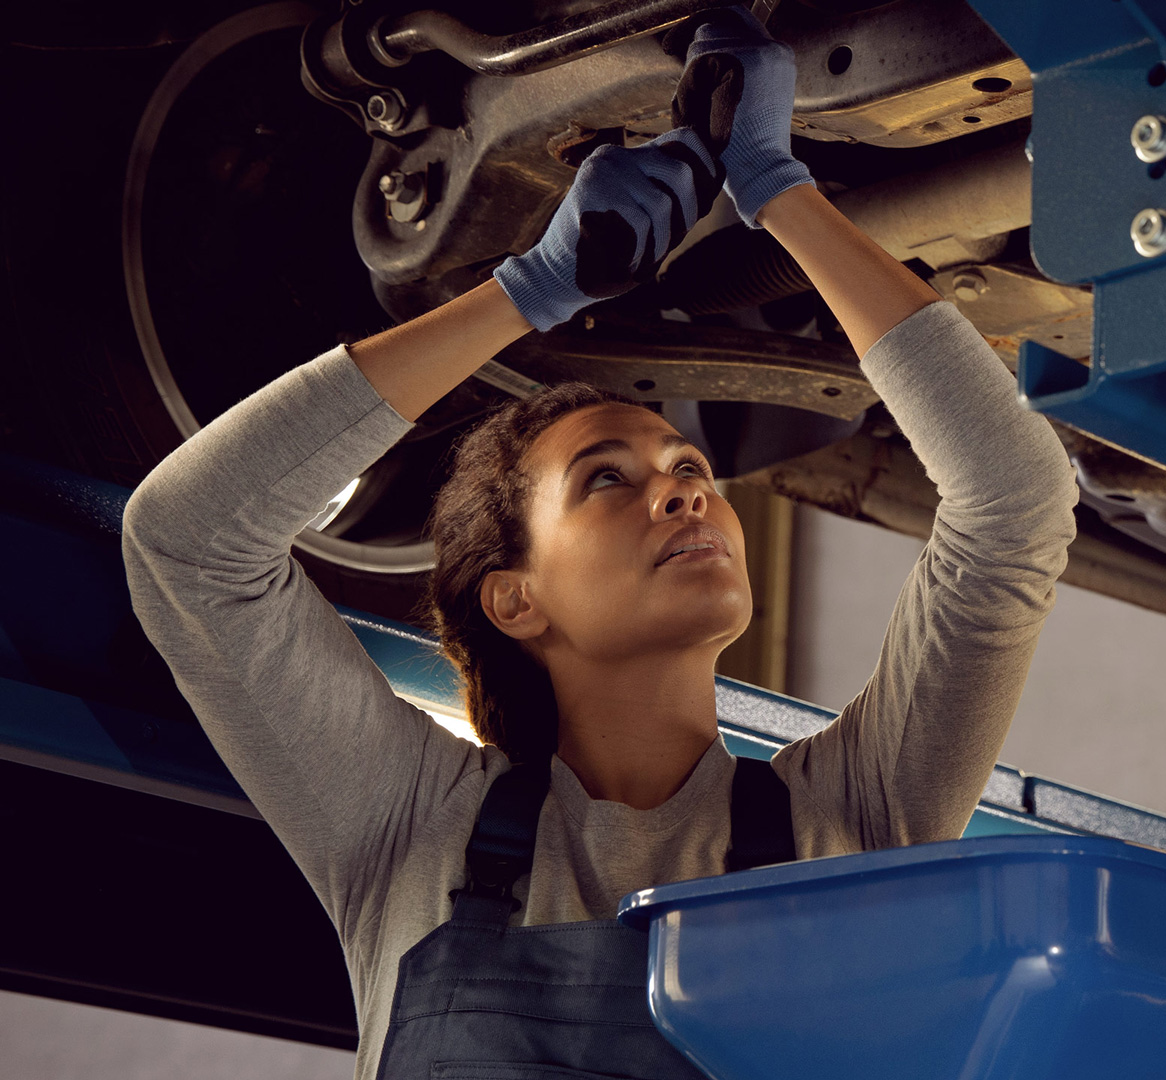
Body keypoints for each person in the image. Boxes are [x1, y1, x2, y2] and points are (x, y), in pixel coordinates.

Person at [120, 8, 1077, 1079]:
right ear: (516, 598)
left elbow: (1014, 500)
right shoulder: (408, 828)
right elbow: (188, 541)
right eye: (608, 479)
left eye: (690, 471)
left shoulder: (856, 817)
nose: (682, 497)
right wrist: (523, 290)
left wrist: (780, 191)